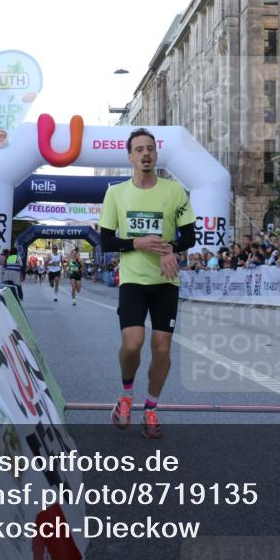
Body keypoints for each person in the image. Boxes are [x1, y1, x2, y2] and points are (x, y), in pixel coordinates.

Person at [99, 128, 196, 439]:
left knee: (162, 349)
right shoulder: (115, 193)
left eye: (150, 149)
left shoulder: (175, 192)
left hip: (166, 281)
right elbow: (106, 241)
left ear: (156, 154)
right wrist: (136, 242)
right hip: (133, 281)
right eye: (139, 149)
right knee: (132, 345)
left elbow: (190, 236)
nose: (145, 154)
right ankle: (126, 395)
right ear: (130, 157)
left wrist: (172, 249)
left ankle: (151, 407)